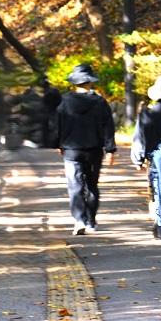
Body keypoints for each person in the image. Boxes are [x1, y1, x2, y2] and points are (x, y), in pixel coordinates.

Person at [54, 63, 117, 235]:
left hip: (71, 150)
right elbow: (108, 126)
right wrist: (110, 149)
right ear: (90, 82)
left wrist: (58, 143)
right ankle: (91, 221)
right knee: (92, 185)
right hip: (94, 149)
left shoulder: (64, 101)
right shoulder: (99, 102)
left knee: (74, 185)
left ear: (75, 82)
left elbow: (57, 124)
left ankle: (79, 220)